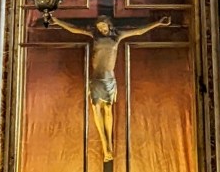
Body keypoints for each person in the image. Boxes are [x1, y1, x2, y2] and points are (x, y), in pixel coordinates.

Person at [49, 12, 170, 161]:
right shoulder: (95, 36)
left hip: (108, 79)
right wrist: (58, 22)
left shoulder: (117, 36)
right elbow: (74, 29)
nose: (101, 29)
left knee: (107, 109)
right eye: (99, 27)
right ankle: (105, 145)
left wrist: (157, 23)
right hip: (96, 78)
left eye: (103, 26)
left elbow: (138, 31)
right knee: (96, 110)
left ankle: (109, 146)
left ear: (109, 25)